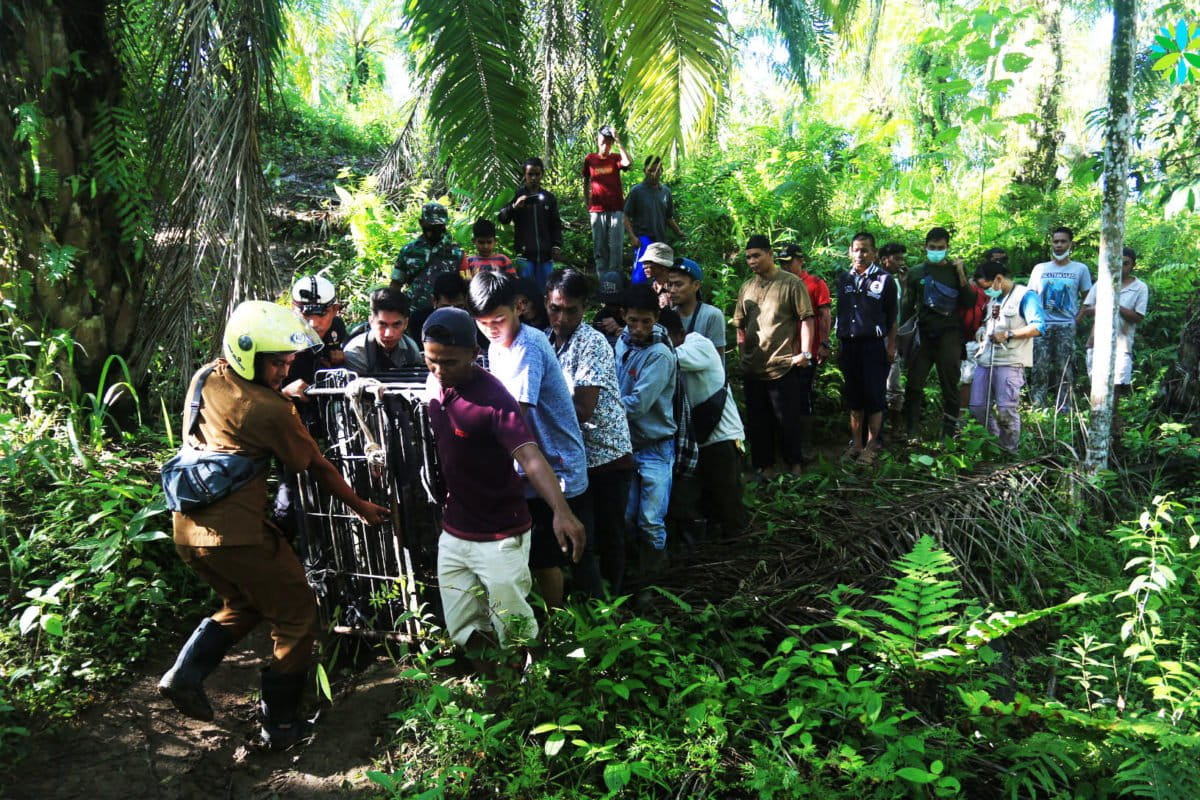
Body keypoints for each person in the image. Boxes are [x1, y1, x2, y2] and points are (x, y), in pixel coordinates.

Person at [159, 301, 389, 749]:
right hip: (238, 537)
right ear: (248, 355)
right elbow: (315, 466)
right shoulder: (269, 410)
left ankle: (184, 673)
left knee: (247, 602)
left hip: (187, 530)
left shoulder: (207, 375)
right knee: (298, 615)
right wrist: (361, 504)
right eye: (278, 362)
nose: (286, 369)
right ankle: (280, 725)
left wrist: (280, 394)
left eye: (288, 360)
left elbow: (235, 417)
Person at [421, 307, 585, 673]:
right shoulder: (435, 383)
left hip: (500, 534)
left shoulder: (494, 400)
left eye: (449, 362)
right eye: (432, 361)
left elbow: (529, 456)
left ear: (473, 354)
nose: (440, 370)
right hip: (456, 530)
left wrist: (560, 509)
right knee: (462, 625)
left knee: (515, 627)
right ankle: (494, 685)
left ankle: (535, 686)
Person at [468, 272, 594, 608]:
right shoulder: (497, 347)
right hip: (528, 467)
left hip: (557, 466)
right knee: (538, 553)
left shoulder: (528, 345)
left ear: (519, 307)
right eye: (483, 323)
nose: (492, 328)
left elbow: (514, 413)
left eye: (499, 319)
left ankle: (561, 625)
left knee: (550, 557)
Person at [545, 269, 634, 596]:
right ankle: (592, 603)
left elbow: (583, 408)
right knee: (582, 537)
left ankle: (616, 604)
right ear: (546, 302)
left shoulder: (591, 342)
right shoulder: (545, 340)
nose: (562, 317)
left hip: (606, 454)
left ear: (585, 308)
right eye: (556, 308)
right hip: (572, 458)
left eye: (571, 310)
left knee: (609, 535)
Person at [731, 234, 814, 478]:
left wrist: (805, 353)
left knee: (787, 418)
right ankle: (764, 466)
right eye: (748, 257)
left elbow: (806, 318)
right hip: (753, 366)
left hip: (782, 364)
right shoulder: (747, 287)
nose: (752, 261)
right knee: (758, 420)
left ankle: (794, 463)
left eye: (757, 255)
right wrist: (741, 354)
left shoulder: (790, 283)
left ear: (769, 254)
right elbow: (740, 325)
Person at [662, 308, 748, 539]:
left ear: (680, 334)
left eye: (663, 337)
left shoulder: (698, 344)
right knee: (706, 504)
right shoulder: (673, 349)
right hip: (698, 440)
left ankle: (741, 555)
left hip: (722, 437)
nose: (659, 344)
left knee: (729, 503)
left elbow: (667, 357)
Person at [615, 285, 677, 574]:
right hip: (627, 444)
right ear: (623, 316)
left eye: (646, 322)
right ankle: (632, 571)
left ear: (657, 318)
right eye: (633, 321)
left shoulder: (660, 354)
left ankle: (653, 580)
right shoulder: (622, 343)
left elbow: (639, 403)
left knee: (651, 520)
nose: (638, 328)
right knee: (626, 515)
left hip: (655, 445)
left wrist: (600, 411)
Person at [901, 227, 978, 440]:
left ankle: (948, 433)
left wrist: (961, 273)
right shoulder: (916, 272)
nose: (936, 251)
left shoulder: (956, 270)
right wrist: (900, 339)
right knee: (914, 385)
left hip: (950, 336)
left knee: (950, 386)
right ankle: (912, 431)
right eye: (932, 247)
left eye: (941, 248)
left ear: (947, 248)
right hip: (923, 336)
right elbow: (906, 307)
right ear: (925, 247)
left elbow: (970, 302)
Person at [835, 232, 898, 464]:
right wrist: (837, 341)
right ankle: (856, 444)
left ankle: (872, 446)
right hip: (849, 345)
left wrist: (891, 346)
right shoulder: (844, 279)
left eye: (865, 250)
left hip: (873, 345)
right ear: (850, 251)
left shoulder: (884, 280)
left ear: (873, 253)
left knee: (874, 396)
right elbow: (840, 314)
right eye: (856, 249)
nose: (860, 254)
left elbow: (892, 317)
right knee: (854, 398)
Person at [969, 262, 1045, 453]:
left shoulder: (1025, 296)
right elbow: (990, 324)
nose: (985, 292)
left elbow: (1038, 327)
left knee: (1006, 410)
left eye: (986, 287)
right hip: (986, 360)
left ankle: (1009, 451)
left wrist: (1009, 334)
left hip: (1010, 361)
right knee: (977, 406)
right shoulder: (994, 300)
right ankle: (993, 443)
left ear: (999, 279)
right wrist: (981, 331)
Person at [1080, 246, 1149, 419]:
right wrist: (1106, 303)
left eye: (1126, 263)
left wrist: (1116, 304)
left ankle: (1113, 427)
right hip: (1096, 343)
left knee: (1116, 389)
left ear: (1133, 265)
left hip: (1121, 345)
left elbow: (1138, 316)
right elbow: (1087, 310)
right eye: (1119, 263)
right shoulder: (1102, 283)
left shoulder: (1140, 287)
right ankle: (1096, 425)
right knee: (1097, 388)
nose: (1122, 267)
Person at [1028, 226, 1093, 410]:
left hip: (1066, 325)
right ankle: (1037, 405)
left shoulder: (1080, 269)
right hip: (1042, 326)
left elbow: (1088, 296)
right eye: (1056, 241)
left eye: (1063, 241)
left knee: (1065, 368)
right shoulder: (1040, 268)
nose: (1059, 245)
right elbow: (1030, 296)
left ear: (1071, 244)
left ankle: (1065, 407)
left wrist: (1078, 318)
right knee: (1039, 367)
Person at [778, 243, 831, 443]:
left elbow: (825, 314)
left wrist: (824, 344)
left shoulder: (815, 283)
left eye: (788, 263)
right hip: (783, 350)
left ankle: (805, 443)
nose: (784, 267)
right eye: (781, 263)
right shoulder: (780, 283)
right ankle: (787, 441)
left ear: (800, 261)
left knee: (803, 393)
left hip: (806, 351)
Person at [391, 202, 467, 331]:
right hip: (414, 313)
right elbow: (396, 284)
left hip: (447, 314)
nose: (435, 229)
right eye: (431, 225)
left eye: (439, 225)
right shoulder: (409, 251)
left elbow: (465, 285)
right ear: (422, 223)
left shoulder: (456, 253)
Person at [281, 274, 349, 403]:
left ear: (335, 310)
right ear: (292, 309)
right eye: (305, 314)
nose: (313, 323)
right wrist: (283, 394)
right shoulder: (277, 335)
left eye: (321, 314)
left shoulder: (337, 329)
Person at [498, 157, 562, 290]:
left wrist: (556, 245)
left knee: (545, 291)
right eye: (530, 174)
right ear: (524, 175)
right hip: (524, 255)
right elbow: (503, 218)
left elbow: (555, 223)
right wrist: (514, 207)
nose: (533, 178)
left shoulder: (548, 198)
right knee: (526, 293)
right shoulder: (517, 195)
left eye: (537, 174)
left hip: (545, 255)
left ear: (542, 174)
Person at [624, 156, 685, 285]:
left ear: (662, 170)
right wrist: (632, 237)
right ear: (644, 171)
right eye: (650, 170)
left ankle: (659, 302)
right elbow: (625, 215)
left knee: (661, 276)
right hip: (644, 239)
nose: (654, 174)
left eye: (657, 170)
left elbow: (668, 217)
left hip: (660, 239)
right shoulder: (637, 191)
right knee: (640, 276)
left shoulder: (665, 192)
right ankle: (637, 301)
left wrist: (678, 232)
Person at [583, 125, 633, 273]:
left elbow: (628, 163)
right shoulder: (590, 159)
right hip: (597, 210)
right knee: (599, 247)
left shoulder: (615, 158)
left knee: (616, 247)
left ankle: (614, 279)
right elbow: (586, 181)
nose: (606, 145)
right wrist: (587, 202)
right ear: (598, 140)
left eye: (609, 142)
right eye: (603, 141)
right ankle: (602, 279)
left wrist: (618, 141)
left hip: (616, 209)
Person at [343, 287, 422, 373]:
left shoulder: (411, 349)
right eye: (382, 324)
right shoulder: (356, 353)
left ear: (406, 323)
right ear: (371, 321)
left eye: (396, 325)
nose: (389, 334)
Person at [665, 257, 725, 368]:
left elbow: (717, 360)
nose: (672, 290)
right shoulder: (668, 317)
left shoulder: (712, 315)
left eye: (678, 285)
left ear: (696, 285)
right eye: (670, 284)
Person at [878, 242, 909, 432]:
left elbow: (902, 311)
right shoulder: (876, 280)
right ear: (885, 260)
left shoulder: (898, 281)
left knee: (894, 384)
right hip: (876, 337)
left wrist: (905, 285)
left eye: (902, 258)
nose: (901, 262)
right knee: (878, 384)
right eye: (897, 259)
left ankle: (896, 428)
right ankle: (877, 429)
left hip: (892, 337)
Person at [957, 266, 991, 427]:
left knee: (972, 379)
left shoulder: (986, 294)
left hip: (978, 341)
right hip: (963, 340)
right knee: (966, 379)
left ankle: (973, 419)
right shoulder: (966, 291)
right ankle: (962, 418)